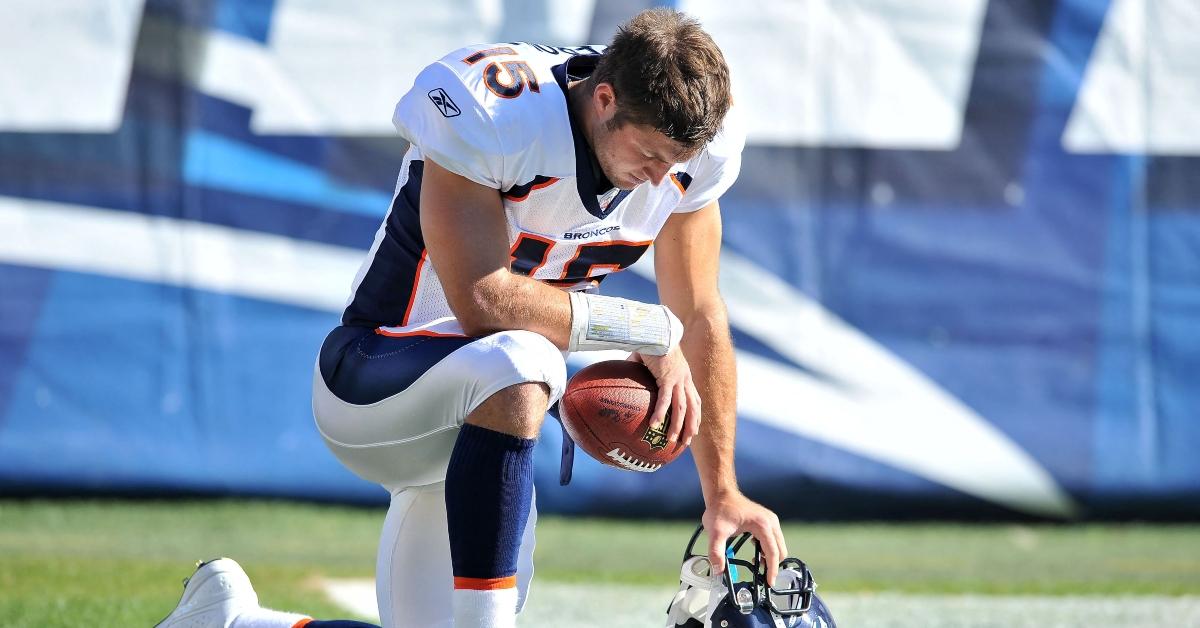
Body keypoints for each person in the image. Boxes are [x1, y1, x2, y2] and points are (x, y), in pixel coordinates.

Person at [156, 8, 787, 628]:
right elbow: (484, 302)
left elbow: (699, 313)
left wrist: (722, 491)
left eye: (675, 162)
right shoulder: (499, 110)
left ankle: (230, 619)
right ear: (603, 100)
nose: (660, 177)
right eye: (649, 153)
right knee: (527, 360)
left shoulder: (686, 156)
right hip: (378, 375)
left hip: (485, 431)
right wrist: (642, 329)